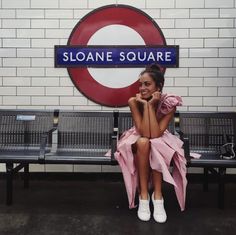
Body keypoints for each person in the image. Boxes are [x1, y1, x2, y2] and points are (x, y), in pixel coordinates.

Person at [114, 64, 187, 223]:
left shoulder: (169, 103)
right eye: (141, 84)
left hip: (159, 136)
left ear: (158, 86)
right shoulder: (134, 101)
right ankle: (144, 195)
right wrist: (147, 105)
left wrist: (151, 104)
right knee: (143, 142)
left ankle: (158, 196)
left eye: (147, 84)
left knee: (153, 144)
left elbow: (155, 134)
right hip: (137, 136)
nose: (142, 88)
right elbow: (143, 132)